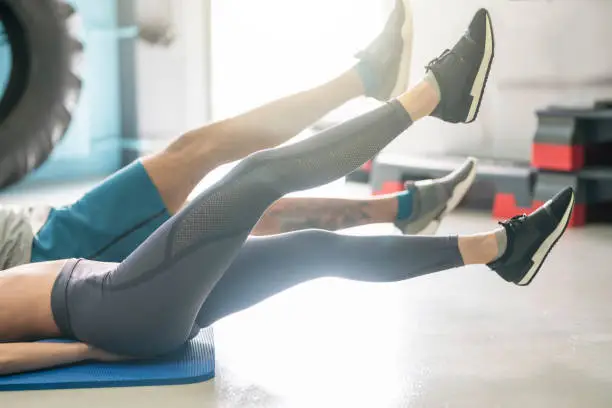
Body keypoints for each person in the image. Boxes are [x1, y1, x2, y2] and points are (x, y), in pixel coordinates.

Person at [0, 9, 575, 377]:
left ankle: (501, 250)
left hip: (115, 294)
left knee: (313, 250)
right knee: (256, 178)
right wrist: (86, 351)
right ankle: (434, 95)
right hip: (113, 308)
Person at [0, 0, 473, 271]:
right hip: (51, 250)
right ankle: (368, 79)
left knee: (238, 210)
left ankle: (406, 209)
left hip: (39, 228)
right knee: (197, 154)